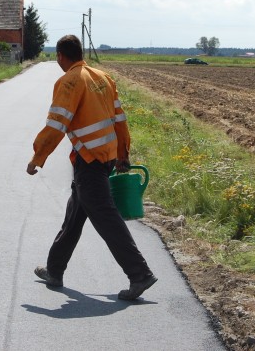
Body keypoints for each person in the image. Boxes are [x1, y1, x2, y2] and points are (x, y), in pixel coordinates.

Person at [26, 35, 157, 301]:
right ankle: (55, 269)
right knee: (75, 213)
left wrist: (37, 158)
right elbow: (120, 119)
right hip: (104, 156)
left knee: (106, 218)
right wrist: (122, 153)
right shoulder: (103, 77)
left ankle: (140, 274)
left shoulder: (69, 81)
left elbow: (57, 124)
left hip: (90, 160)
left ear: (61, 56)